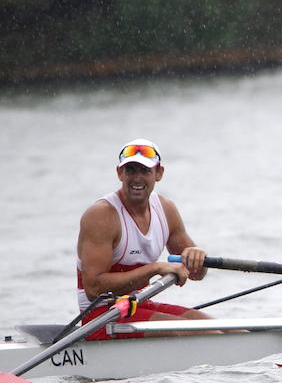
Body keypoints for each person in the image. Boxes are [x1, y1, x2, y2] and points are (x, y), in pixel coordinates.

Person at [77, 139, 211, 338]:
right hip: (100, 316)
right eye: (130, 170)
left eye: (145, 171)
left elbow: (197, 274)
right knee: (195, 332)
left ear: (159, 173)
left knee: (216, 327)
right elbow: (94, 289)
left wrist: (198, 256)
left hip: (137, 305)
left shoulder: (166, 210)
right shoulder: (102, 215)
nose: (137, 178)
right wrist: (155, 268)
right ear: (120, 173)